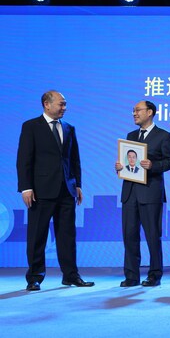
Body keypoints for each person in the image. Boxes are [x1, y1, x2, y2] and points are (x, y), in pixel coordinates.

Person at [17, 90, 94, 291]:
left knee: (67, 235)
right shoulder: (31, 126)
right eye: (61, 104)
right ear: (46, 104)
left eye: (65, 104)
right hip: (41, 191)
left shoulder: (69, 128)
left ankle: (70, 275)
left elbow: (74, 159)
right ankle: (34, 277)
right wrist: (26, 187)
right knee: (37, 236)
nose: (64, 108)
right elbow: (24, 160)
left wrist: (77, 185)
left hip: (66, 190)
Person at [115, 100, 170, 287]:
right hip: (130, 192)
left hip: (150, 193)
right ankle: (131, 276)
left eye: (137, 110)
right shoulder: (131, 135)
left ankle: (154, 275)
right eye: (133, 110)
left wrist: (153, 166)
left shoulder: (163, 135)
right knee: (130, 235)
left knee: (152, 236)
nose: (134, 113)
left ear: (149, 112)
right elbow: (127, 161)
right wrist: (120, 167)